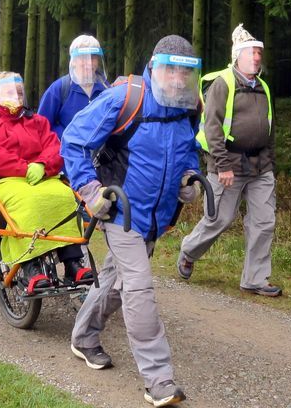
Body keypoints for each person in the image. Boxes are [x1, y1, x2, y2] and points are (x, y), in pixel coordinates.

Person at [62, 35, 202, 406]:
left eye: (184, 71)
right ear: (154, 67)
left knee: (116, 282)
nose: (176, 78)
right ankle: (158, 380)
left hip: (156, 219)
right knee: (139, 287)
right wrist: (90, 190)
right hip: (120, 213)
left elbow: (189, 150)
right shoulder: (126, 99)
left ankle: (84, 337)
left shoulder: (188, 107)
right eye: (170, 69)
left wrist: (189, 177)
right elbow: (74, 140)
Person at [0, 71, 93, 291]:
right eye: (9, 92)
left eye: (20, 92)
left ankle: (72, 262)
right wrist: (25, 168)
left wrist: (43, 164)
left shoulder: (37, 121)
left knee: (65, 197)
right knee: (28, 202)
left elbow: (55, 146)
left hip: (41, 176)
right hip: (4, 180)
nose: (16, 96)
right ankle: (31, 266)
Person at [178, 24, 281, 297]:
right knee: (219, 220)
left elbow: (270, 129)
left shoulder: (264, 88)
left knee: (264, 222)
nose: (257, 57)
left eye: (259, 52)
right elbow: (212, 128)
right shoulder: (223, 83)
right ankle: (188, 252)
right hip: (228, 165)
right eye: (252, 52)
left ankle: (255, 279)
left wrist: (270, 163)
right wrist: (222, 165)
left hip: (260, 167)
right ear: (238, 56)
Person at [38, 34, 109, 138]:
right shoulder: (60, 88)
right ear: (74, 61)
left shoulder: (106, 88)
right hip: (65, 152)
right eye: (83, 58)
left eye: (93, 57)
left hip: (101, 151)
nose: (89, 63)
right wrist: (65, 137)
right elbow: (41, 125)